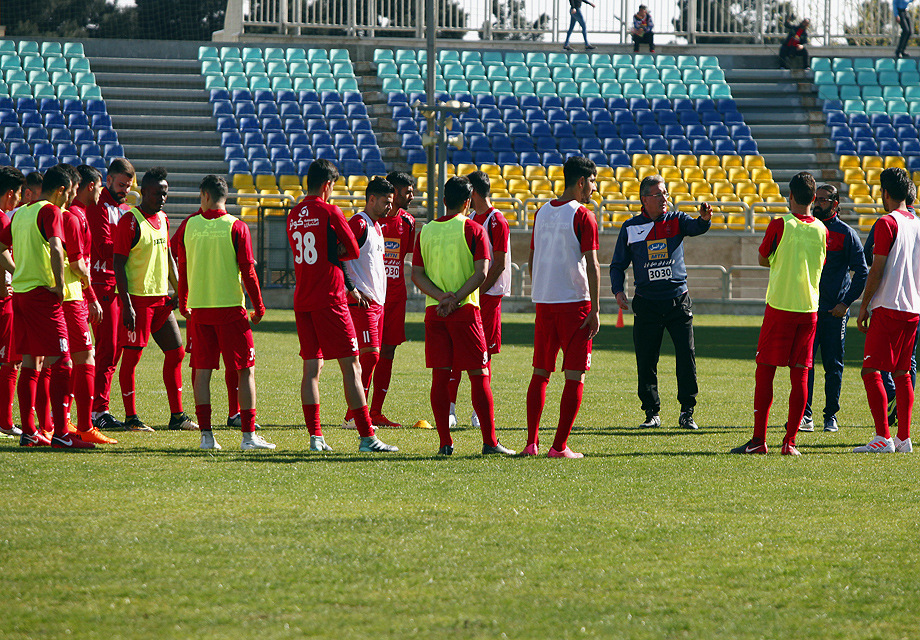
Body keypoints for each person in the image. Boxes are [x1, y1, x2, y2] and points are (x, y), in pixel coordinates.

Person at [287, 159, 397, 454]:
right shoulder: (330, 211)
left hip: (303, 297)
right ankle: (366, 436)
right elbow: (352, 247)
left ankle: (316, 437)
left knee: (312, 368)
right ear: (327, 185)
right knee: (352, 365)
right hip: (330, 296)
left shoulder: (294, 213)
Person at [411, 176, 514, 456]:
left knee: (440, 377)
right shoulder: (473, 228)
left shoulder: (426, 231)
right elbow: (482, 272)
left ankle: (445, 443)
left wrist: (441, 297)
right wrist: (455, 298)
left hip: (435, 312)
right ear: (468, 202)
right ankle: (489, 442)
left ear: (444, 200)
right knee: (479, 374)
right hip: (465, 311)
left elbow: (416, 274)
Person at [175, 175, 274, 451]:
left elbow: (182, 269)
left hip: (200, 310)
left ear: (204, 196)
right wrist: (259, 305)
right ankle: (248, 436)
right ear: (225, 197)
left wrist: (184, 302)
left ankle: (207, 437)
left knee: (202, 372)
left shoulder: (188, 226)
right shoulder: (237, 226)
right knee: (245, 371)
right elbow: (248, 271)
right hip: (231, 309)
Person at [732, 172, 826, 456]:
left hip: (781, 306)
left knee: (766, 372)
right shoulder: (822, 229)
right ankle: (790, 442)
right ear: (813, 198)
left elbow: (763, 257)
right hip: (809, 308)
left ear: (792, 196)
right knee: (800, 376)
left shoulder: (780, 224)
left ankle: (759, 441)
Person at [610, 175, 712, 430]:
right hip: (646, 303)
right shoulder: (631, 227)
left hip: (678, 301)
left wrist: (705, 220)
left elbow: (696, 228)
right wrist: (617, 291)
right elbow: (617, 264)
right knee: (646, 360)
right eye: (659, 194)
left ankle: (687, 411)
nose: (665, 198)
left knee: (686, 358)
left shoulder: (676, 220)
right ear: (645, 199)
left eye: (666, 193)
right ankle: (651, 412)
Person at [0, 165, 92, 448]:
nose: (71, 199)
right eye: (71, 192)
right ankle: (62, 434)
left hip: (22, 295)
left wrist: (17, 273)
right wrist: (58, 285)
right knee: (62, 361)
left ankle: (29, 432)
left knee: (30, 361)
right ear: (62, 190)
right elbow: (55, 246)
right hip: (42, 295)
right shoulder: (50, 211)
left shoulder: (21, 213)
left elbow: (2, 246)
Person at [521, 156, 600, 458]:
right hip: (575, 304)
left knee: (540, 372)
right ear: (581, 182)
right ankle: (559, 447)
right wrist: (595, 308)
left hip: (545, 302)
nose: (593, 189)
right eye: (592, 182)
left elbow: (531, 258)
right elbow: (592, 264)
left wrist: (542, 285)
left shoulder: (541, 212)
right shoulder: (582, 215)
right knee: (575, 374)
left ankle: (531, 443)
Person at [113, 167, 196, 433]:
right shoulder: (130, 220)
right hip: (137, 302)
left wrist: (179, 291)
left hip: (161, 302)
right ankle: (131, 418)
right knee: (132, 359)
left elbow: (169, 259)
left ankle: (177, 416)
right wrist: (125, 304)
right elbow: (118, 264)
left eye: (165, 193)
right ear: (143, 192)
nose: (162, 197)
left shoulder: (163, 218)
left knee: (176, 352)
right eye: (158, 193)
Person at [854, 168, 920, 453]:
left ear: (885, 193)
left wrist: (864, 305)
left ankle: (883, 437)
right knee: (903, 372)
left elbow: (876, 270)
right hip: (912, 308)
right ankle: (904, 438)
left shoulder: (886, 222)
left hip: (888, 305)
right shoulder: (917, 223)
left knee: (871, 370)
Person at [446, 171, 511, 430]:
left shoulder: (497, 221)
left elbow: (498, 265)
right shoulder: (471, 218)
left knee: (483, 354)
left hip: (489, 296)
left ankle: (477, 411)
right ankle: (451, 408)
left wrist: (478, 291)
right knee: (457, 350)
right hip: (471, 294)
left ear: (472, 193)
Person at [801, 184, 867, 434]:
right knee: (805, 364)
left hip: (834, 313)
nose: (816, 203)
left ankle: (831, 416)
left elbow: (861, 272)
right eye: (815, 199)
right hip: (808, 309)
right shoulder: (806, 228)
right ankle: (805, 415)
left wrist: (845, 303)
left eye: (822, 200)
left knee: (833, 365)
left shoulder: (846, 234)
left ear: (835, 204)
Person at [61, 164, 115, 445]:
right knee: (83, 358)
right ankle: (82, 425)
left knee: (68, 359)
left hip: (74, 296)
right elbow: (78, 264)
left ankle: (65, 422)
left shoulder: (78, 215)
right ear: (91, 186)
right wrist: (92, 298)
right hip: (73, 298)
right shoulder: (74, 217)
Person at [341, 177, 393, 430]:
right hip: (362, 302)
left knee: (372, 358)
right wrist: (351, 289)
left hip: (377, 303)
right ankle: (354, 416)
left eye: (391, 203)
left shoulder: (376, 227)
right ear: (371, 199)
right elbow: (338, 253)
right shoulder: (359, 222)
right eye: (385, 202)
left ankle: (357, 414)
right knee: (369, 357)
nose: (389, 208)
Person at [87, 158, 134, 431]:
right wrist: (129, 244)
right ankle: (98, 410)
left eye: (128, 186)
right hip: (102, 282)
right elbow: (104, 248)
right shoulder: (99, 206)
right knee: (106, 348)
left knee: (113, 349)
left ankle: (96, 405)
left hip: (117, 285)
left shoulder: (124, 208)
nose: (124, 190)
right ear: (108, 179)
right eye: (120, 184)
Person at [368, 171, 417, 428]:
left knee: (388, 351)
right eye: (408, 191)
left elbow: (402, 257)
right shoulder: (369, 219)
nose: (412, 196)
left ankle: (376, 411)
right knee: (368, 353)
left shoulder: (408, 222)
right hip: (371, 296)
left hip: (396, 296)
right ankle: (356, 411)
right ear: (395, 192)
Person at [0, 166, 23, 438]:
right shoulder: (4, 220)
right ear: (9, 194)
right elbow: (3, 254)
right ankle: (5, 422)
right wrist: (21, 272)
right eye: (17, 196)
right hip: (3, 299)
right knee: (10, 361)